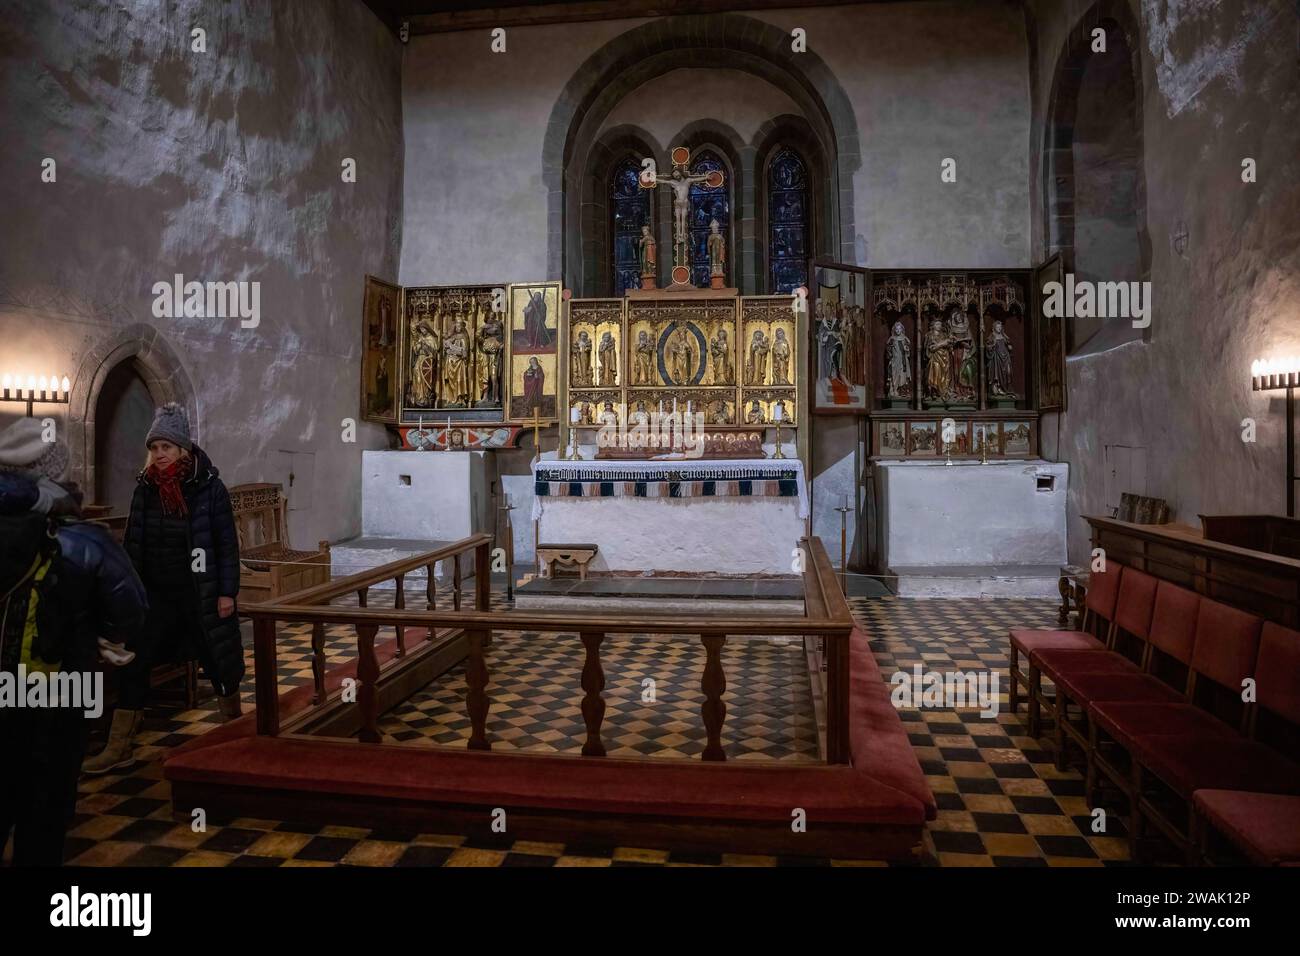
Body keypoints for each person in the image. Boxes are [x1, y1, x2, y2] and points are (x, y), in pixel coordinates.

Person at [0, 418, 148, 865]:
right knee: (46, 801)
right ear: (55, 472)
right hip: (60, 685)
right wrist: (105, 639)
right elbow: (132, 607)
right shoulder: (83, 537)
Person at [82, 403, 244, 775]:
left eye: (166, 447)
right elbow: (133, 545)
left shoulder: (208, 487)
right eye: (154, 448)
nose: (158, 455)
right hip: (155, 595)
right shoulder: (146, 490)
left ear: (182, 449)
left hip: (199, 591)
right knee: (135, 662)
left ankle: (237, 735)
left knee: (220, 661)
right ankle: (119, 746)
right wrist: (125, 593)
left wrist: (226, 592)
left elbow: (225, 543)